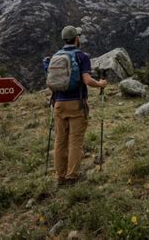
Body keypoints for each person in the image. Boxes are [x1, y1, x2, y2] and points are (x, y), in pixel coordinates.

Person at [43, 25, 107, 186]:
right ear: (76, 39)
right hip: (76, 104)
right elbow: (87, 80)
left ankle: (60, 176)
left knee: (60, 140)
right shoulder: (82, 56)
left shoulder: (56, 56)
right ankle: (72, 176)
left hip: (58, 103)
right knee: (75, 141)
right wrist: (100, 84)